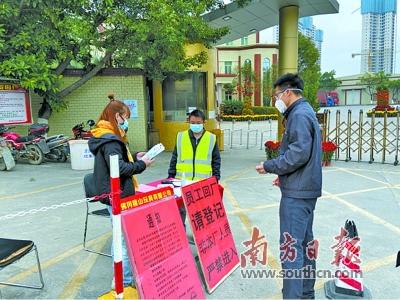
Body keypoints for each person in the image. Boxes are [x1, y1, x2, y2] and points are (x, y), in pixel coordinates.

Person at [256, 73, 322, 299]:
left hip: (297, 195)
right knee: (303, 246)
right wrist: (284, 177)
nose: (276, 100)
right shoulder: (306, 112)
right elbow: (302, 155)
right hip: (302, 188)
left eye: (277, 95)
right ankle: (305, 294)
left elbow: (298, 153)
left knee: (291, 251)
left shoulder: (299, 115)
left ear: (288, 93)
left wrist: (271, 166)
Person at [88, 94, 153, 288]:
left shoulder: (106, 136)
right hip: (117, 195)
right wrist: (142, 164)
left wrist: (135, 156)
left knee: (121, 239)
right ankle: (122, 282)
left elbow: (117, 162)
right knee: (123, 242)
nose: (126, 122)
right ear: (117, 116)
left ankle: (123, 279)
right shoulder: (111, 141)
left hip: (112, 194)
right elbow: (120, 169)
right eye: (126, 117)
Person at [168, 109, 221, 225]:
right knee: (180, 209)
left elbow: (216, 159)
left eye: (198, 123)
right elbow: (174, 157)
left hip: (202, 182)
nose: (195, 125)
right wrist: (170, 176)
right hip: (182, 180)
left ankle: (200, 236)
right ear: (188, 122)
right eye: (192, 122)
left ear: (204, 122)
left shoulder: (211, 138)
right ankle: (181, 232)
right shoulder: (181, 137)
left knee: (201, 210)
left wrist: (216, 177)